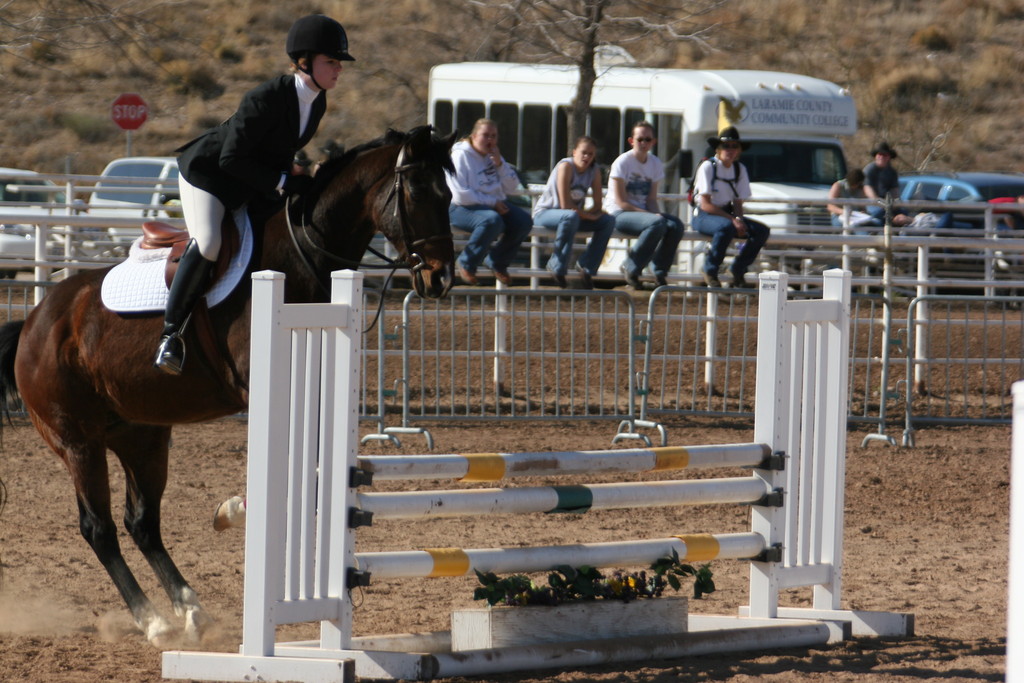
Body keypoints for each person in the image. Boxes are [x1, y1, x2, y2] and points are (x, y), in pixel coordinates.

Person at [154, 14, 353, 375]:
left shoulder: (317, 101)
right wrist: (280, 180)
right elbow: (231, 158)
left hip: (247, 181)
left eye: (339, 62)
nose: (339, 69)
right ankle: (171, 335)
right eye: (332, 61)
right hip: (209, 175)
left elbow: (272, 151)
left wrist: (294, 173)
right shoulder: (266, 97)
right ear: (305, 62)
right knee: (210, 241)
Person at [446, 118, 533, 285]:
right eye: (485, 135)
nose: (490, 140)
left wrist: (500, 164)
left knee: (523, 221)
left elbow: (513, 188)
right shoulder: (460, 156)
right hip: (458, 207)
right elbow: (459, 195)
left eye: (493, 136)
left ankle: (497, 261)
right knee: (491, 220)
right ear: (473, 136)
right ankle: (466, 262)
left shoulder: (493, 157)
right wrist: (492, 202)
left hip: (490, 205)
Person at [607, 121, 684, 288]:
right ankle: (631, 266)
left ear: (653, 142)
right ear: (631, 141)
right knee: (656, 222)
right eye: (639, 139)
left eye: (647, 139)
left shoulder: (655, 163)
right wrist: (652, 216)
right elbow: (621, 201)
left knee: (676, 225)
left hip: (642, 214)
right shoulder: (622, 163)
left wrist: (656, 214)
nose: (643, 143)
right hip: (618, 213)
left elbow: (651, 199)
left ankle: (658, 271)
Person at [690, 126, 770, 288]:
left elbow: (738, 202)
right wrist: (733, 220)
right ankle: (710, 270)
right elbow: (705, 203)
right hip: (703, 215)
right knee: (725, 227)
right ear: (718, 148)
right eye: (726, 146)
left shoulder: (739, 169)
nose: (730, 150)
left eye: (735, 146)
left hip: (727, 214)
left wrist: (739, 219)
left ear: (739, 150)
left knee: (762, 231)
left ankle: (737, 269)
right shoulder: (708, 167)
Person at [532, 136, 615, 288]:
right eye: (583, 152)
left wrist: (593, 215)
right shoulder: (566, 166)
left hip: (572, 217)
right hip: (546, 213)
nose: (587, 157)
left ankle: (587, 267)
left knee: (608, 221)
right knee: (570, 216)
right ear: (574, 152)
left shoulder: (594, 171)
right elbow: (565, 205)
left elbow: (598, 204)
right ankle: (556, 265)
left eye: (591, 154)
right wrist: (589, 215)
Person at [862, 141, 909, 226]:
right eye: (880, 154)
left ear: (889, 157)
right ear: (876, 156)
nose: (881, 157)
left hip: (888, 203)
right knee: (879, 213)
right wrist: (881, 203)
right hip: (872, 204)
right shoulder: (869, 170)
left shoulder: (892, 172)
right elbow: (868, 190)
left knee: (903, 213)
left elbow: (895, 191)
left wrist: (895, 203)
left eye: (885, 155)